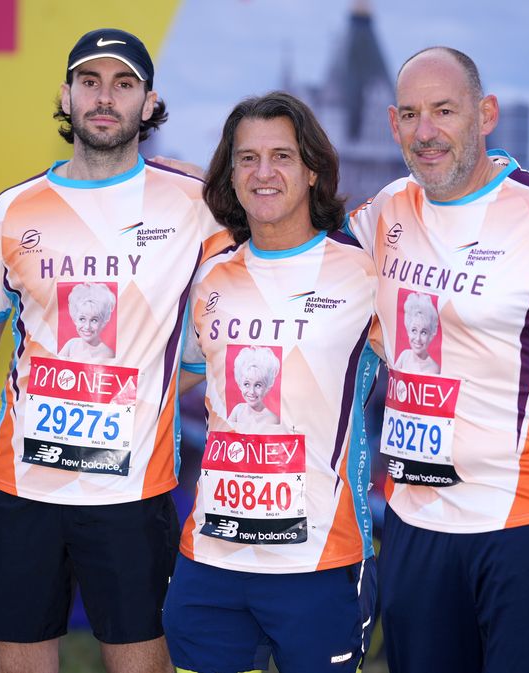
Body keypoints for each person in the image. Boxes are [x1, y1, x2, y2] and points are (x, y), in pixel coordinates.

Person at [0, 28, 228, 673]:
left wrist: (166, 383)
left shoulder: (195, 204)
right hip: (23, 487)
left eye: (123, 84)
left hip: (133, 496)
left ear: (149, 102)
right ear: (66, 95)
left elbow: (257, 295)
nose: (105, 98)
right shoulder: (14, 209)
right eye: (90, 82)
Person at [347, 47, 529, 673]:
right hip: (414, 524)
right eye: (411, 115)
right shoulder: (383, 213)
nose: (426, 132)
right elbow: (299, 259)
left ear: (486, 114)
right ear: (393, 125)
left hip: (528, 527)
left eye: (444, 111)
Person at [162, 92, 379, 673]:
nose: (263, 173)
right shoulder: (210, 275)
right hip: (211, 558)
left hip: (318, 563)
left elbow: (437, 360)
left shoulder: (365, 272)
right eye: (247, 157)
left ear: (312, 170)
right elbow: (169, 381)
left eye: (281, 156)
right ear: (230, 174)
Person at [59, 282, 117, 361]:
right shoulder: (71, 345)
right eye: (82, 319)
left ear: (103, 322)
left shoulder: (107, 354)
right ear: (75, 318)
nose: (87, 326)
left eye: (94, 320)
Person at [226, 345, 282, 427]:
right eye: (247, 384)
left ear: (267, 387)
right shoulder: (238, 411)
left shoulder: (272, 420)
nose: (252, 392)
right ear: (239, 384)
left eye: (258, 385)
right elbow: (225, 433)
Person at [394, 291, 440, 374]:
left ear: (431, 335)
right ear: (408, 330)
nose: (418, 339)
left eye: (423, 332)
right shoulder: (404, 356)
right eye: (414, 330)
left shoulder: (434, 368)